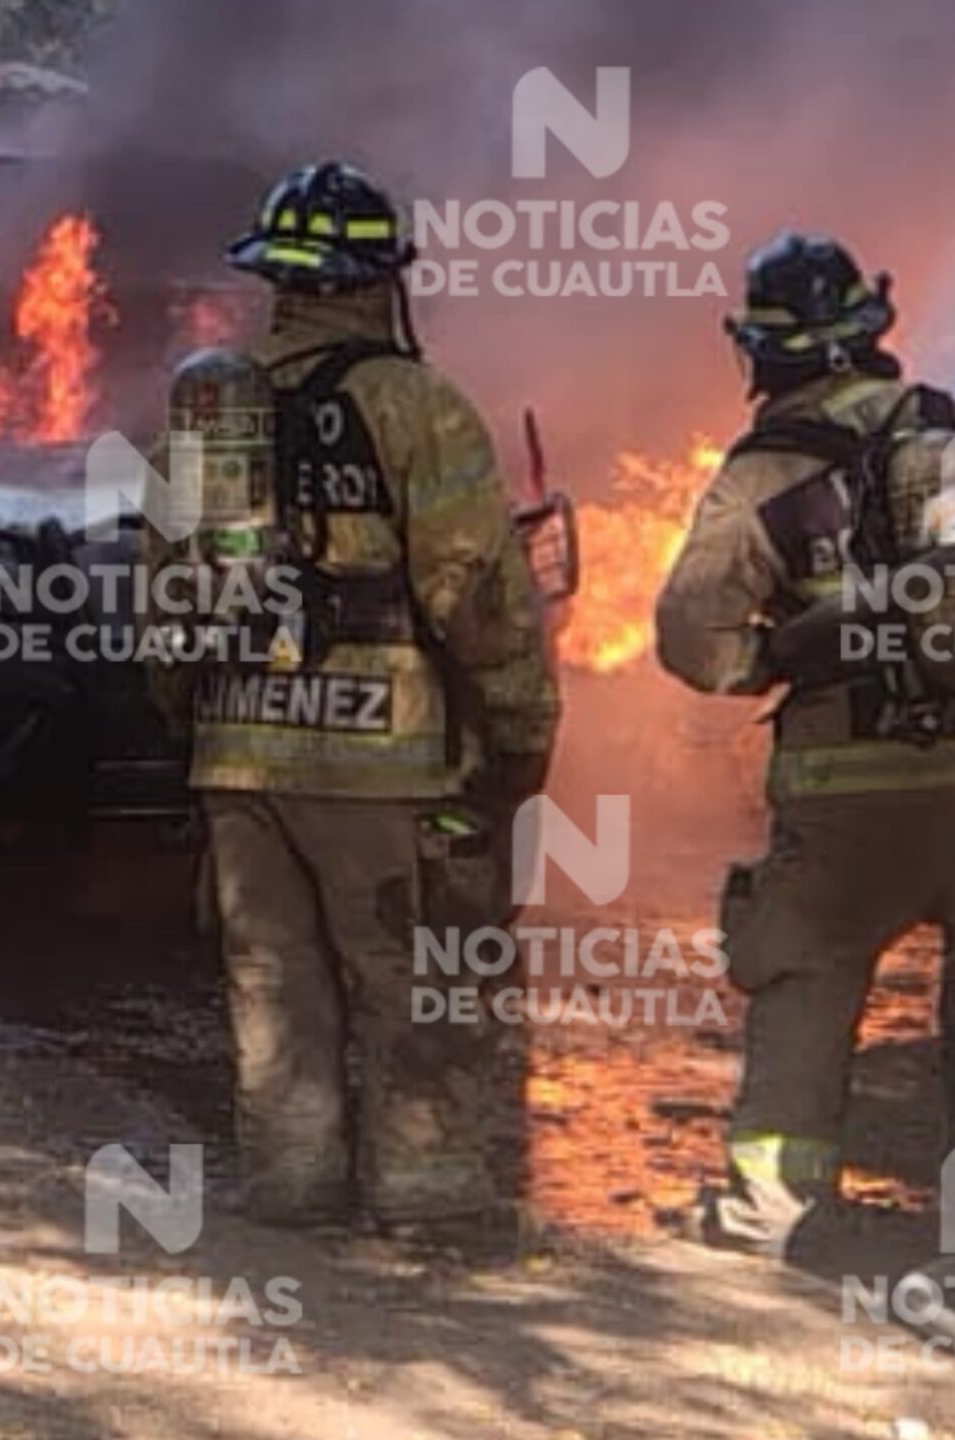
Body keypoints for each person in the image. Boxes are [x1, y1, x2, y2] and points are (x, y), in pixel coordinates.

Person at [655, 231, 955, 1256]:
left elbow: (689, 636)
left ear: (764, 350)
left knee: (804, 984)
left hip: (844, 783)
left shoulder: (764, 471)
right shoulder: (954, 432)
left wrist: (775, 659)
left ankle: (774, 1211)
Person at [185, 160, 559, 1235]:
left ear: (277, 279)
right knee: (409, 970)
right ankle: (423, 1189)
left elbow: (167, 584)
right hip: (383, 758)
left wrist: (192, 720)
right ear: (379, 279)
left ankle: (293, 1183)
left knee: (270, 976)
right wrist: (523, 724)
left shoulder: (209, 399)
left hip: (239, 751)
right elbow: (476, 590)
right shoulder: (417, 403)